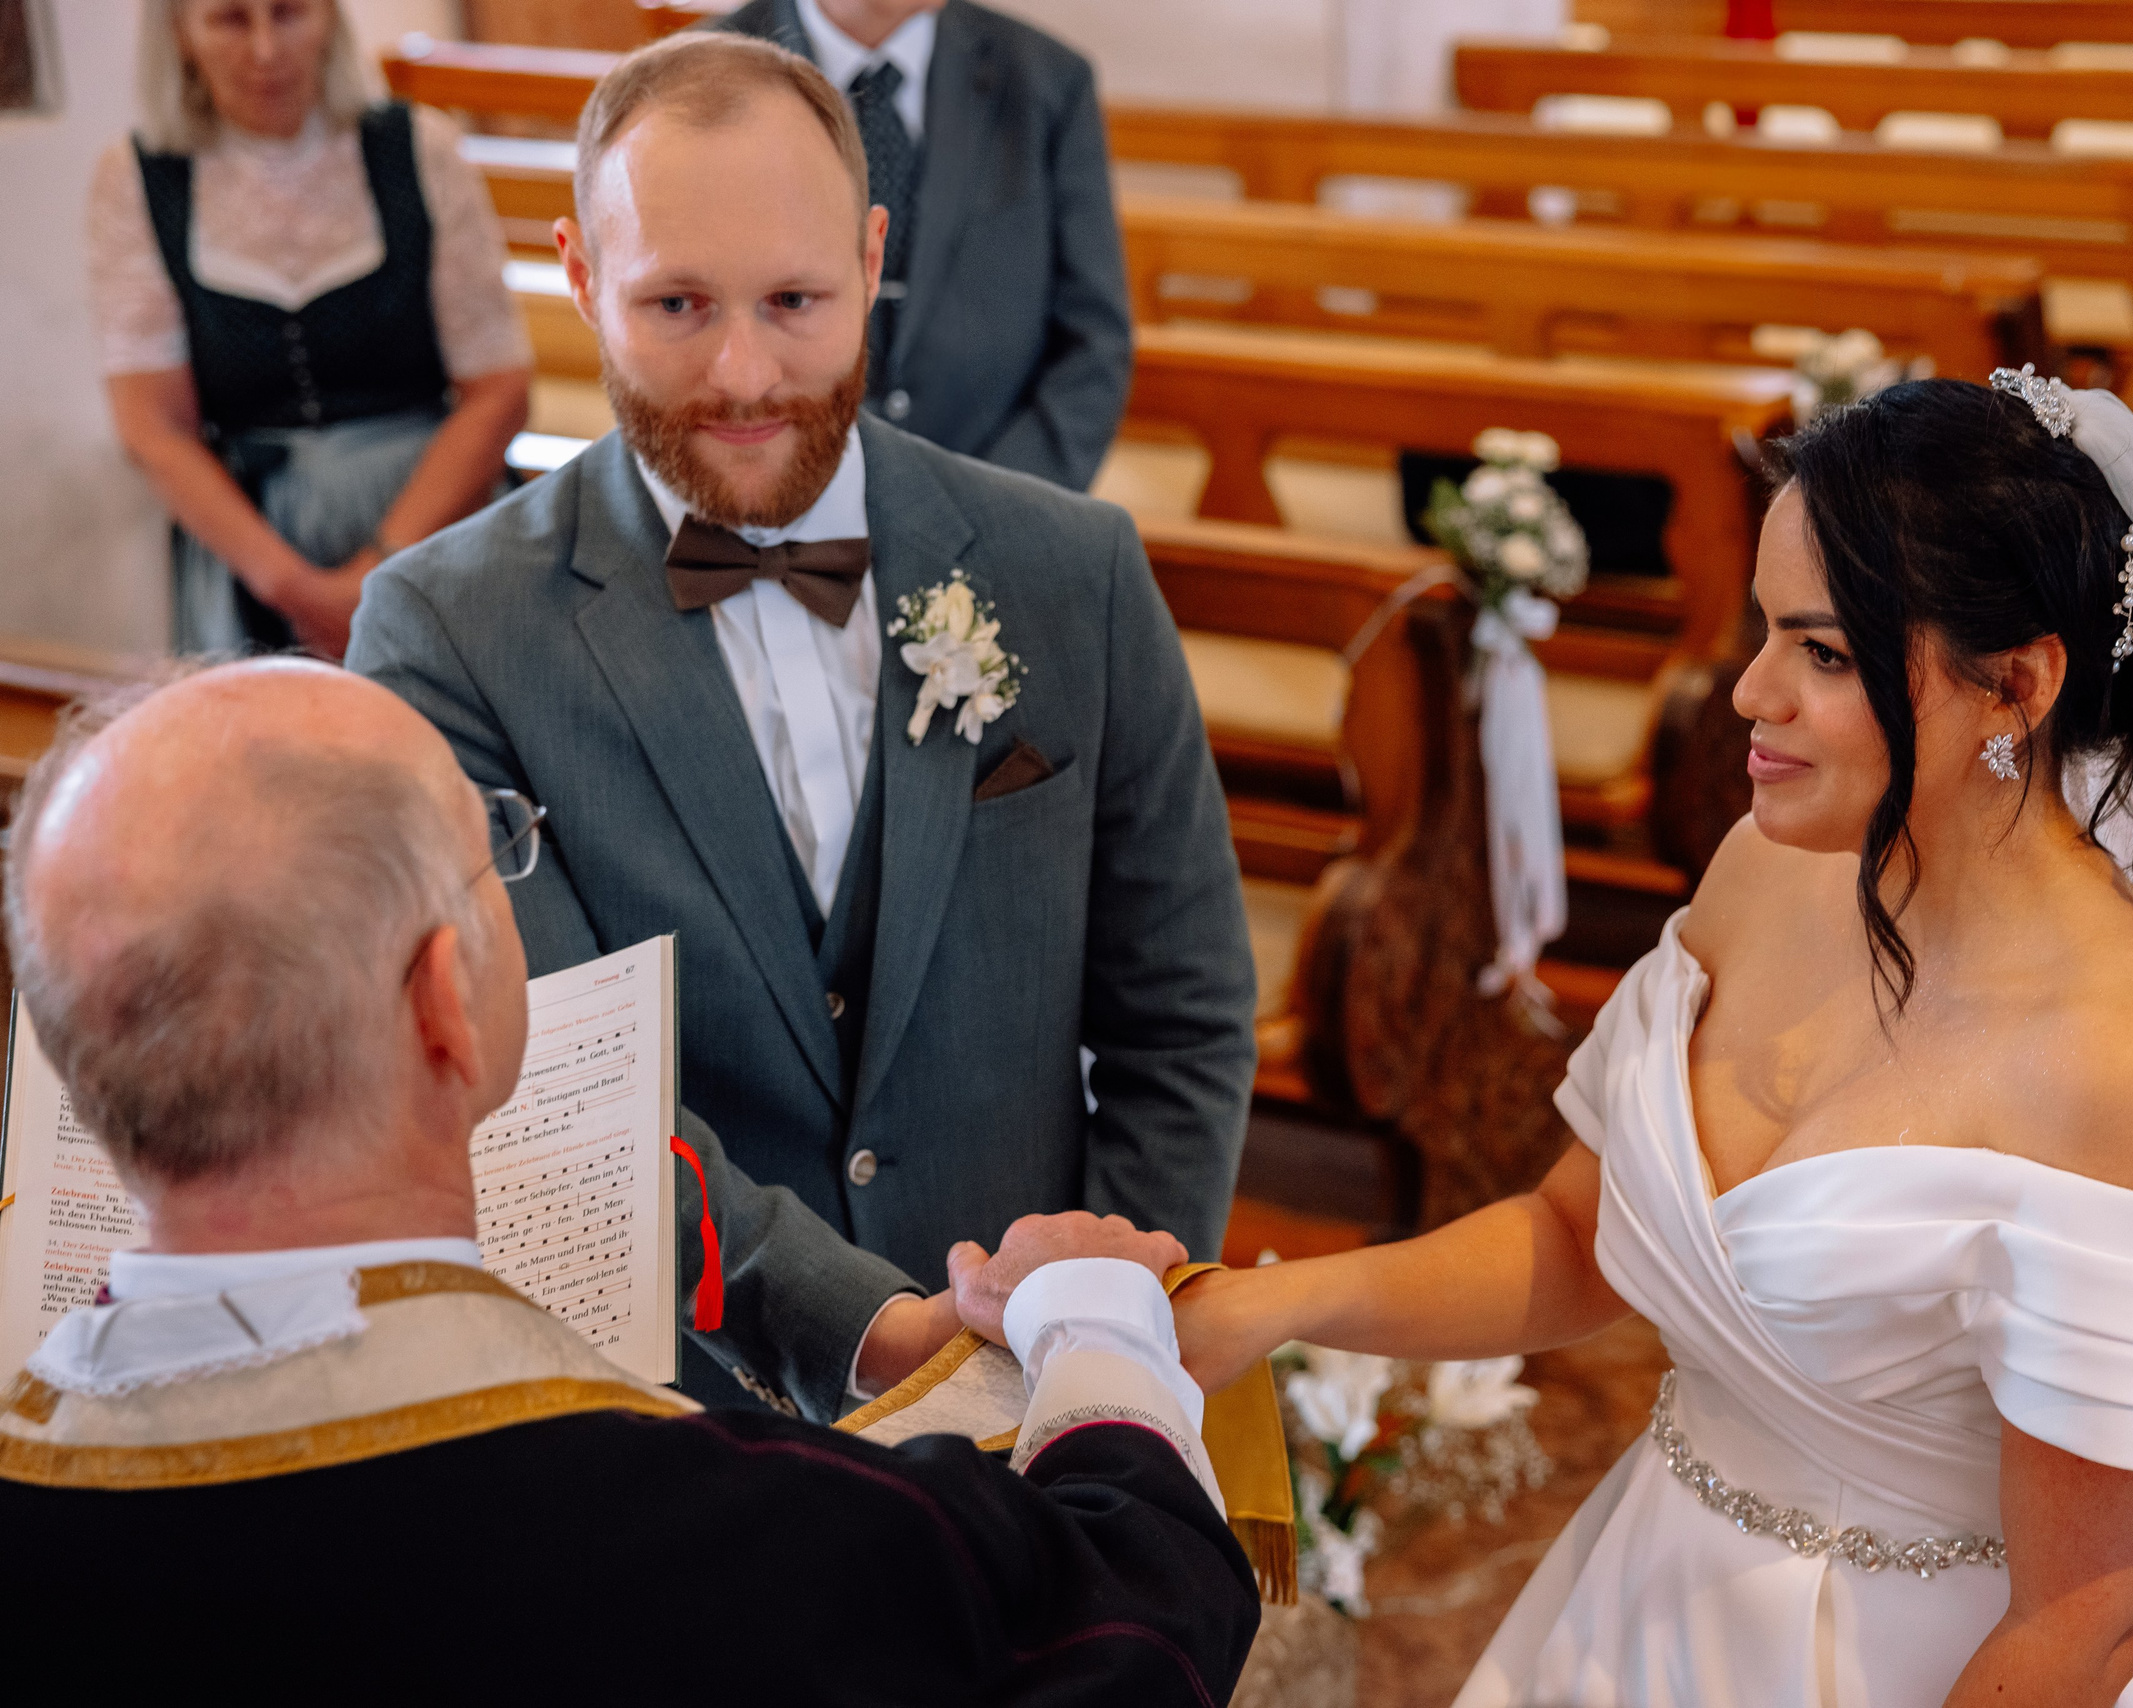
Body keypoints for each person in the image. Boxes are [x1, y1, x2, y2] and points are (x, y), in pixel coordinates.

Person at [1173, 376, 2133, 1706]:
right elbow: (1581, 1239)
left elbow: (2093, 1622)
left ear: (2014, 686)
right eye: (1764, 630)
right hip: (1651, 1608)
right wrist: (1282, 1305)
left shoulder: (2107, 1060)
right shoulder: (1767, 867)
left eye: (1821, 653)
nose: (1750, 691)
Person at [0, 657, 1261, 1705]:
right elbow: (1130, 1622)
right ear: (445, 1000)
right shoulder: (709, 1537)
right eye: (490, 857)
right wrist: (1089, 1315)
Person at [345, 34, 1255, 1422]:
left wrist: (1105, 1326)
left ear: (873, 257)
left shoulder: (1075, 573)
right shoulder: (445, 631)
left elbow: (1183, 1019)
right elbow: (546, 1091)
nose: (744, 372)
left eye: (794, 300)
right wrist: (874, 1336)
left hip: (1047, 1386)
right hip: (677, 1424)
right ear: (580, 276)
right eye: (676, 304)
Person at [88, 0, 531, 657]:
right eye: (230, 19)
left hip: (436, 520)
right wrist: (292, 589)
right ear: (180, 33)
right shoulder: (138, 178)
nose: (266, 50)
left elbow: (499, 391)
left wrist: (380, 568)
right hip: (258, 550)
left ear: (329, 18)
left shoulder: (419, 149)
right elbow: (153, 427)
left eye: (289, 13)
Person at [710, 0, 1131, 492]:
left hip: (992, 493)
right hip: (764, 493)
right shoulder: (698, 76)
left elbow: (1093, 342)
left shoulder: (1048, 80)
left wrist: (995, 505)